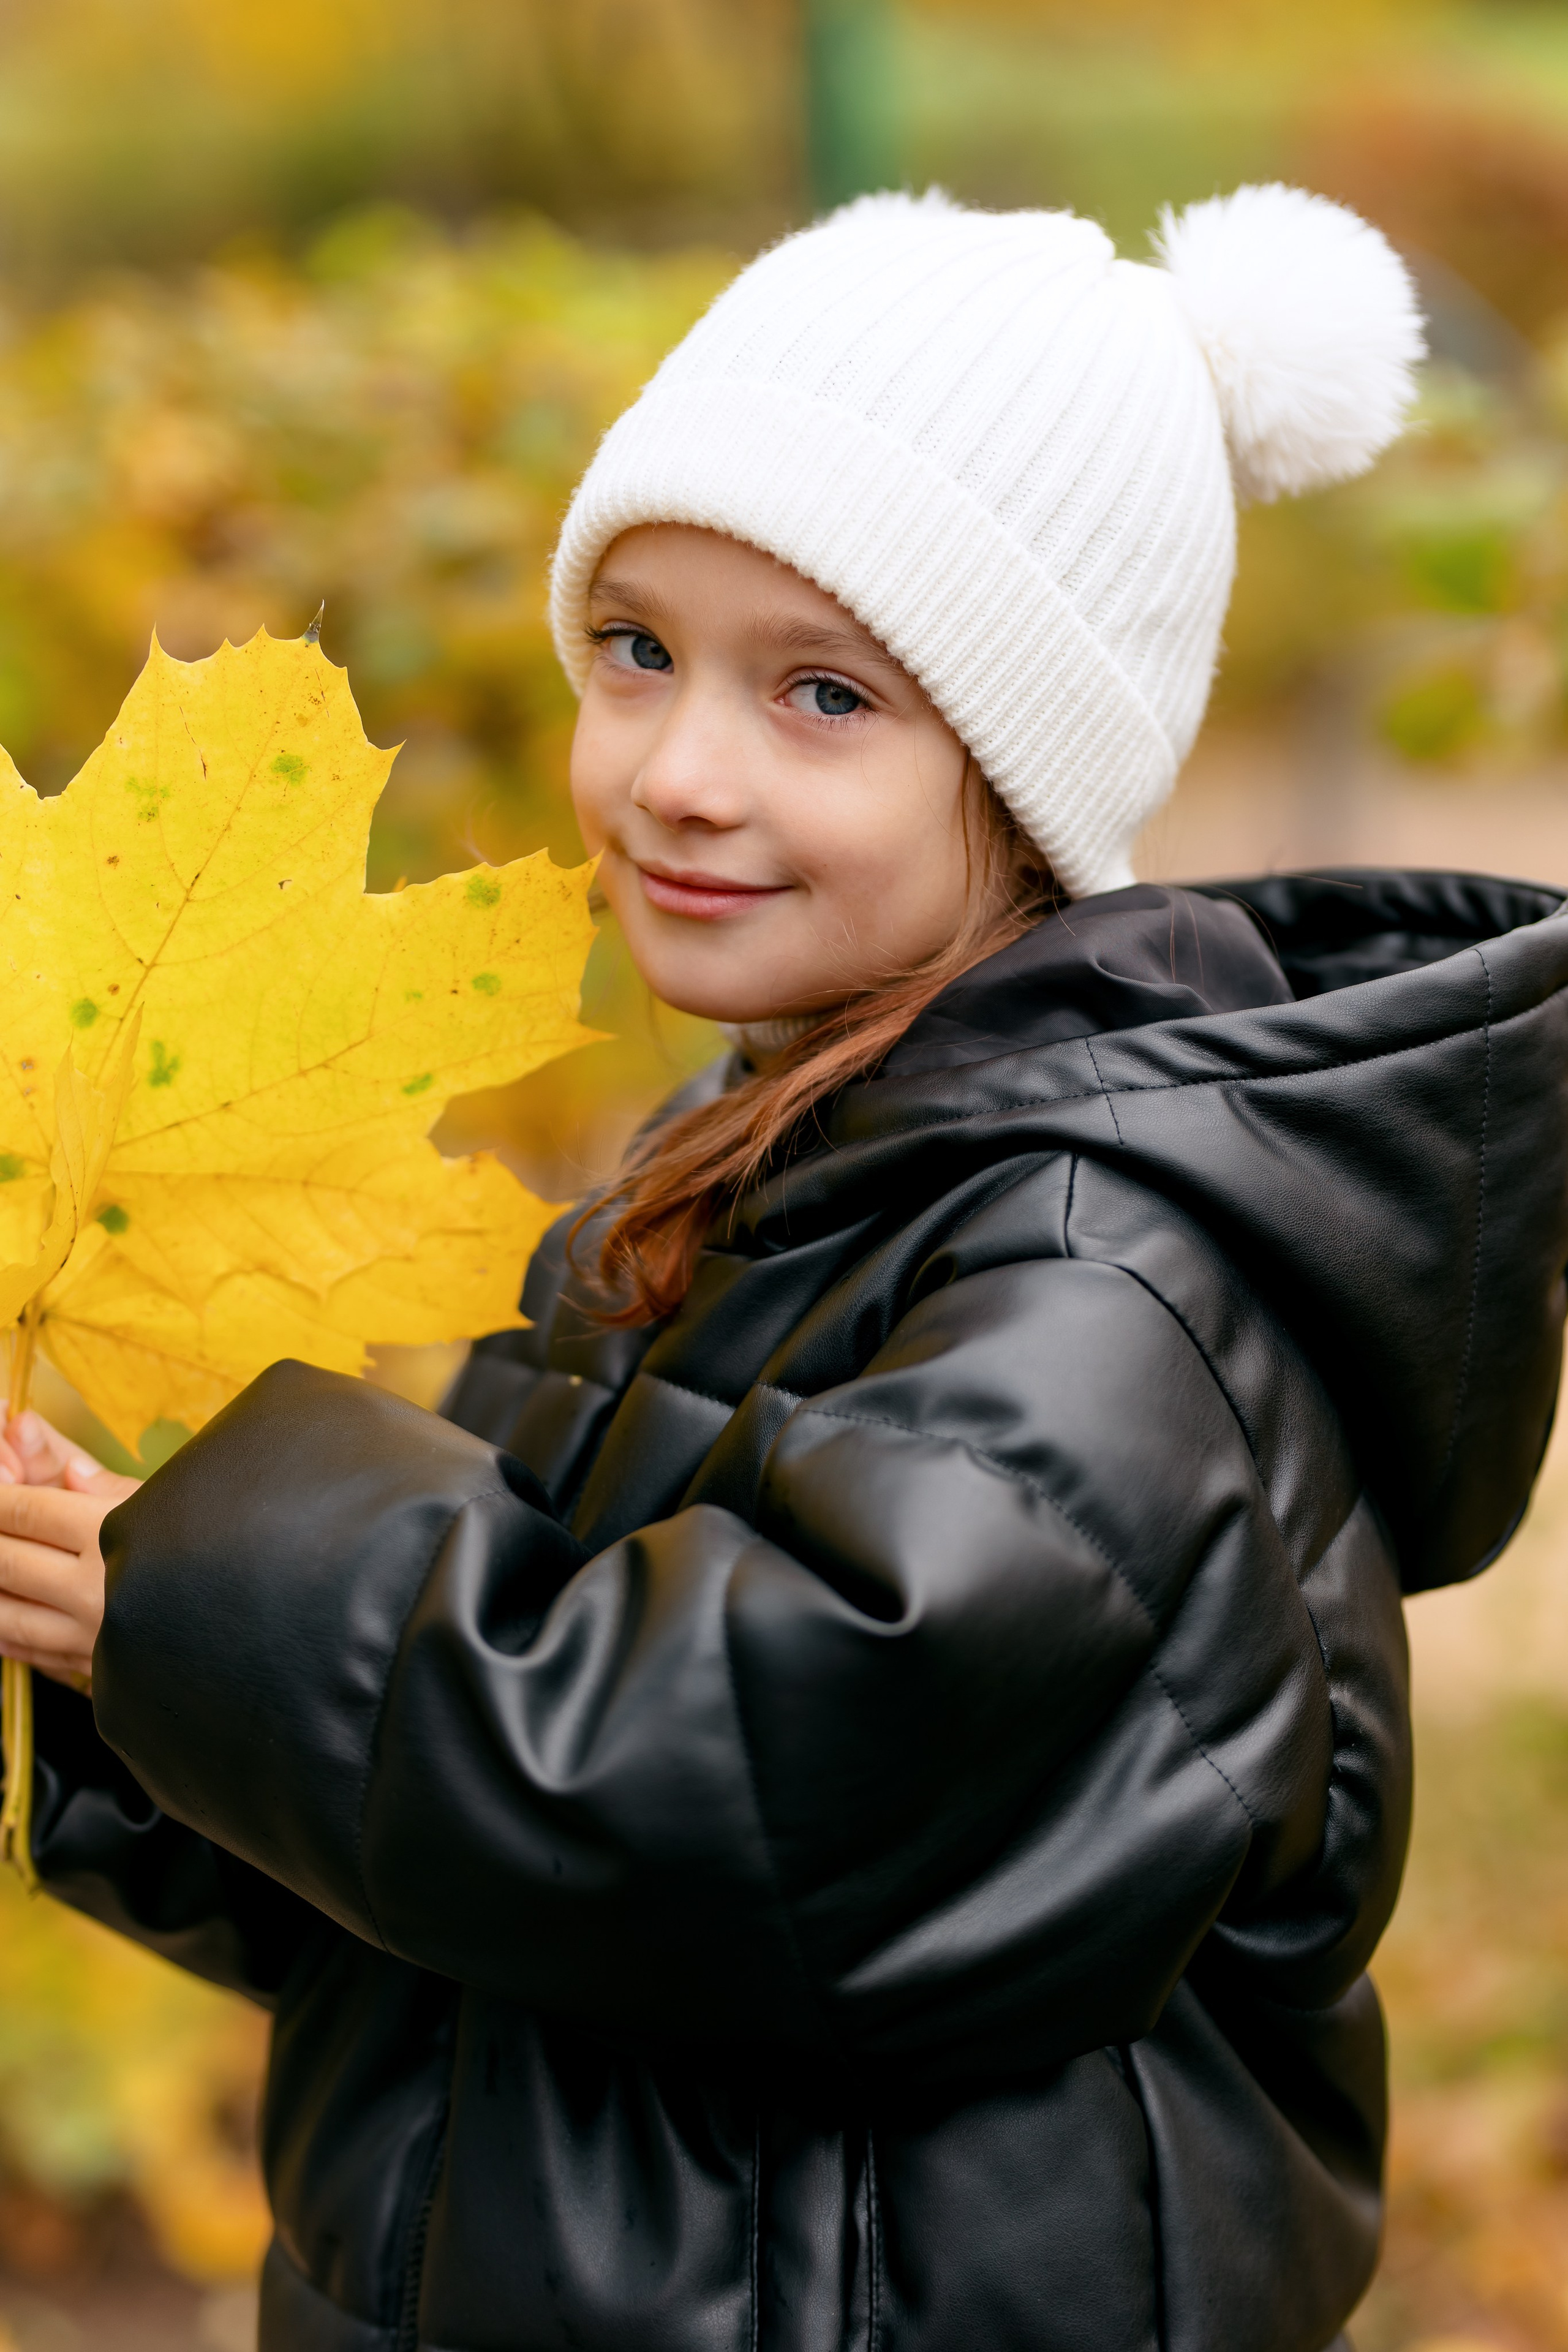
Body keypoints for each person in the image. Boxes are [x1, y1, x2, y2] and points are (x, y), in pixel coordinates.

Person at [0, 184, 1563, 2352]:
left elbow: (739, 1812)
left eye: (822, 693)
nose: (677, 773)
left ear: (1025, 772)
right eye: (636, 650)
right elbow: (471, 1883)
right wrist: (112, 1667)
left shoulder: (1107, 1301)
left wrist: (211, 1597)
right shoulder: (719, 1191)